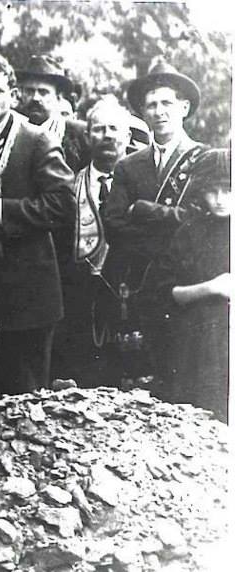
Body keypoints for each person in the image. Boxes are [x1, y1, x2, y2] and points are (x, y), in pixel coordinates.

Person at [0, 54, 76, 398]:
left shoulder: (35, 139)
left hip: (28, 289)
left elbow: (62, 205)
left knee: (25, 396)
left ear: (13, 96)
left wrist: (0, 211)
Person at [100, 59, 207, 394]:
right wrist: (170, 220)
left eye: (167, 103)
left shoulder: (207, 160)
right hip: (139, 282)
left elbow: (201, 221)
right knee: (141, 383)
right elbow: (114, 223)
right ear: (142, 113)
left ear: (184, 107)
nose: (159, 112)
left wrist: (145, 210)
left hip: (186, 283)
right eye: (151, 105)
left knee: (186, 378)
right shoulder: (128, 166)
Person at [51, 96, 132, 386]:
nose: (107, 135)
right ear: (87, 136)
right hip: (80, 303)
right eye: (98, 129)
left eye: (114, 128)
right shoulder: (70, 187)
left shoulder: (143, 186)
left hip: (128, 298)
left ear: (127, 135)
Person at [148, 149, 230, 422]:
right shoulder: (190, 232)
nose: (219, 199)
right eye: (212, 191)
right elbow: (167, 293)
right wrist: (212, 287)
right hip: (197, 345)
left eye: (228, 190)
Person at [16, 55, 89, 173]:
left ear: (58, 98)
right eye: (29, 91)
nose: (35, 98)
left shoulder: (78, 134)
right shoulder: (13, 128)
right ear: (21, 93)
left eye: (43, 92)